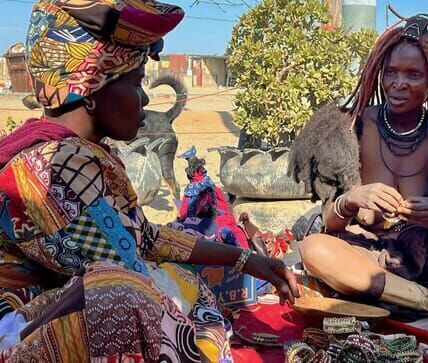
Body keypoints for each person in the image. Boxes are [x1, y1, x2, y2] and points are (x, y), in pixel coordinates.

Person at [0, 1, 298, 362]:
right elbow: (130, 269)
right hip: (16, 335)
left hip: (58, 315)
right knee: (127, 294)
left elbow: (145, 237)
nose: (144, 99)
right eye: (137, 82)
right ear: (93, 88)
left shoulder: (80, 154)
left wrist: (244, 258)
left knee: (173, 277)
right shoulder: (49, 167)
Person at [290, 13, 428, 316]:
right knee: (314, 249)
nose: (398, 84)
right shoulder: (351, 128)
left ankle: (398, 295)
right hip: (367, 253)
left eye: (413, 75)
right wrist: (351, 200)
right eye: (390, 73)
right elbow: (330, 222)